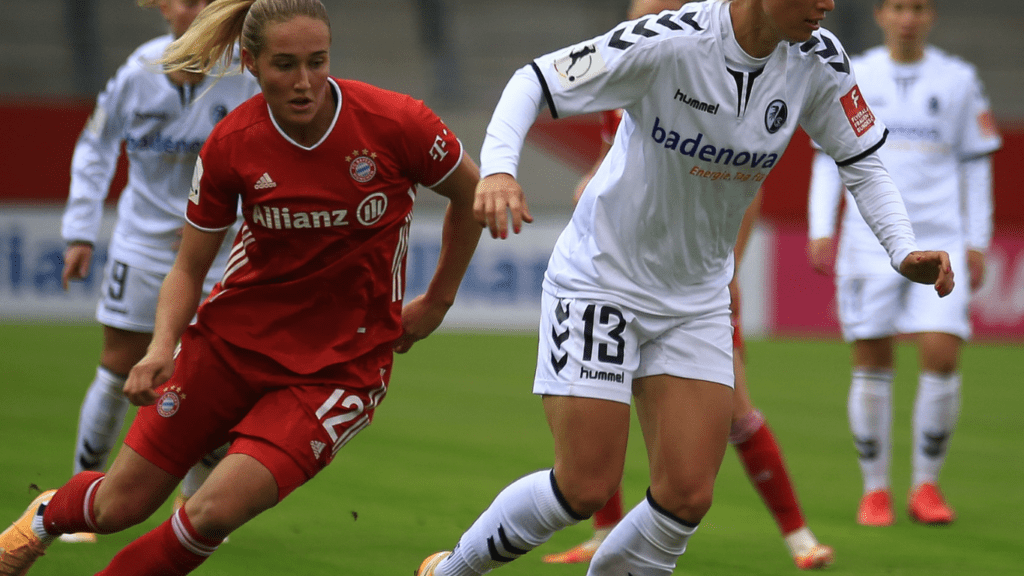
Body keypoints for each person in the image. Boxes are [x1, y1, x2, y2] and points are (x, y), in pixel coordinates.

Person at [417, 0, 954, 574]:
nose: (827, 3)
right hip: (603, 280)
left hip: (697, 299)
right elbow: (534, 81)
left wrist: (901, 248)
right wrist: (499, 168)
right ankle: (450, 570)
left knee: (687, 496)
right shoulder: (668, 40)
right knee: (584, 487)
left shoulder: (820, 58)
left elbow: (863, 159)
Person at [0, 1, 481, 574]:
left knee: (209, 514)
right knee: (118, 505)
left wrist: (438, 300)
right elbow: (187, 267)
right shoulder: (232, 142)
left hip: (339, 368)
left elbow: (472, 197)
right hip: (229, 346)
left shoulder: (396, 122)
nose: (304, 82)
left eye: (317, 61)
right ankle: (42, 520)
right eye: (284, 65)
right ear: (250, 63)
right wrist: (160, 348)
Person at [546, 2, 831, 569]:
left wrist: (731, 269)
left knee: (735, 413)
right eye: (634, 16)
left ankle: (799, 537)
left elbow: (741, 189)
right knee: (606, 403)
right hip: (627, 275)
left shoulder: (707, 67)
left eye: (651, 14)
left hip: (696, 284)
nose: (638, 24)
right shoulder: (635, 76)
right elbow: (623, 162)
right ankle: (607, 538)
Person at [57, 0, 260, 545]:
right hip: (142, 246)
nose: (194, 9)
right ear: (161, 7)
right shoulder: (138, 71)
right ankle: (82, 493)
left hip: (221, 250)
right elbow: (96, 146)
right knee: (118, 366)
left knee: (219, 377)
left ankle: (192, 503)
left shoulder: (247, 73)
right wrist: (80, 230)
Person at [806, 0, 1000, 527]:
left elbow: (976, 165)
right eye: (898, 7)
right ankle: (875, 491)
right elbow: (830, 157)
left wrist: (977, 240)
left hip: (942, 238)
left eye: (918, 7)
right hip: (868, 242)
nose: (908, 17)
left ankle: (926, 486)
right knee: (871, 359)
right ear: (880, 14)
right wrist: (822, 226)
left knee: (941, 355)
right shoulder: (855, 74)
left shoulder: (958, 79)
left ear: (931, 15)